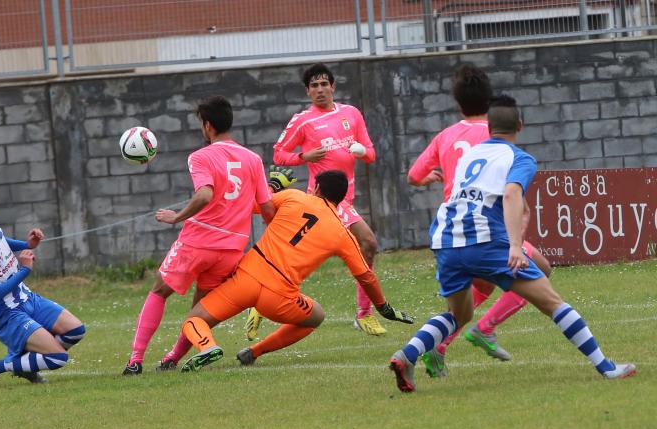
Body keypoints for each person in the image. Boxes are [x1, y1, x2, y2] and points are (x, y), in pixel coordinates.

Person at [389, 96, 636, 393]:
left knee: (460, 315)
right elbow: (510, 195)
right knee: (552, 301)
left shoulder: (471, 155)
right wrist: (515, 246)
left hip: (445, 239)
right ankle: (606, 367)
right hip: (484, 240)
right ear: (520, 125)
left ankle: (407, 355)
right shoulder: (520, 158)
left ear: (489, 127)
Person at [177, 170, 415, 372]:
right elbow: (365, 275)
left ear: (317, 188)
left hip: (246, 279)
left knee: (194, 319)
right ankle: (254, 352)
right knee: (316, 316)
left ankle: (208, 346)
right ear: (341, 199)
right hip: (280, 296)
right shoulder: (342, 233)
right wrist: (383, 307)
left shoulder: (294, 196)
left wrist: (271, 185)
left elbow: (257, 205)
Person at [407, 63, 552, 378]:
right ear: (491, 105)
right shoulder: (494, 137)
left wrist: (431, 178)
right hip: (489, 225)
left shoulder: (446, 136)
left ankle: (441, 345)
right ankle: (485, 328)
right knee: (540, 269)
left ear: (458, 104)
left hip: (453, 227)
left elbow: (413, 175)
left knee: (479, 288)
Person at [122, 95, 275, 375]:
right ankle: (172, 359)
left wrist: (176, 217)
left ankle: (135, 359)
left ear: (207, 126)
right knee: (200, 311)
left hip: (198, 241)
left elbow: (205, 194)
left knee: (159, 291)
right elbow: (266, 208)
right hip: (231, 249)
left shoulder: (200, 156)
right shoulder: (253, 159)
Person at [246, 62, 384, 340]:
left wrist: (361, 151)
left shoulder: (351, 114)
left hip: (344, 202)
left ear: (333, 86)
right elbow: (278, 154)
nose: (320, 90)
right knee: (305, 259)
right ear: (308, 92)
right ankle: (261, 304)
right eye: (314, 86)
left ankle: (364, 315)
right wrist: (303, 158)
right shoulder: (302, 121)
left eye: (324, 84)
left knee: (365, 246)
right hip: (319, 202)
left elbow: (370, 153)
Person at [0, 179, 85, 391]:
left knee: (76, 330)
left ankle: (25, 363)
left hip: (25, 297)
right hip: (6, 314)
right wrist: (24, 270)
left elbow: (0, 241)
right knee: (58, 358)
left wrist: (27, 245)